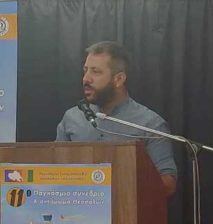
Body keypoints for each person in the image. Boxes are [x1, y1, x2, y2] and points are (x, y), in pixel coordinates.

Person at [56, 41, 178, 196]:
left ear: (119, 79)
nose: (86, 79)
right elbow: (53, 168)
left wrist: (121, 183)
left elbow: (168, 184)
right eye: (85, 71)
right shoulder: (72, 118)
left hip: (127, 207)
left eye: (96, 72)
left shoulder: (150, 124)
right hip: (77, 208)